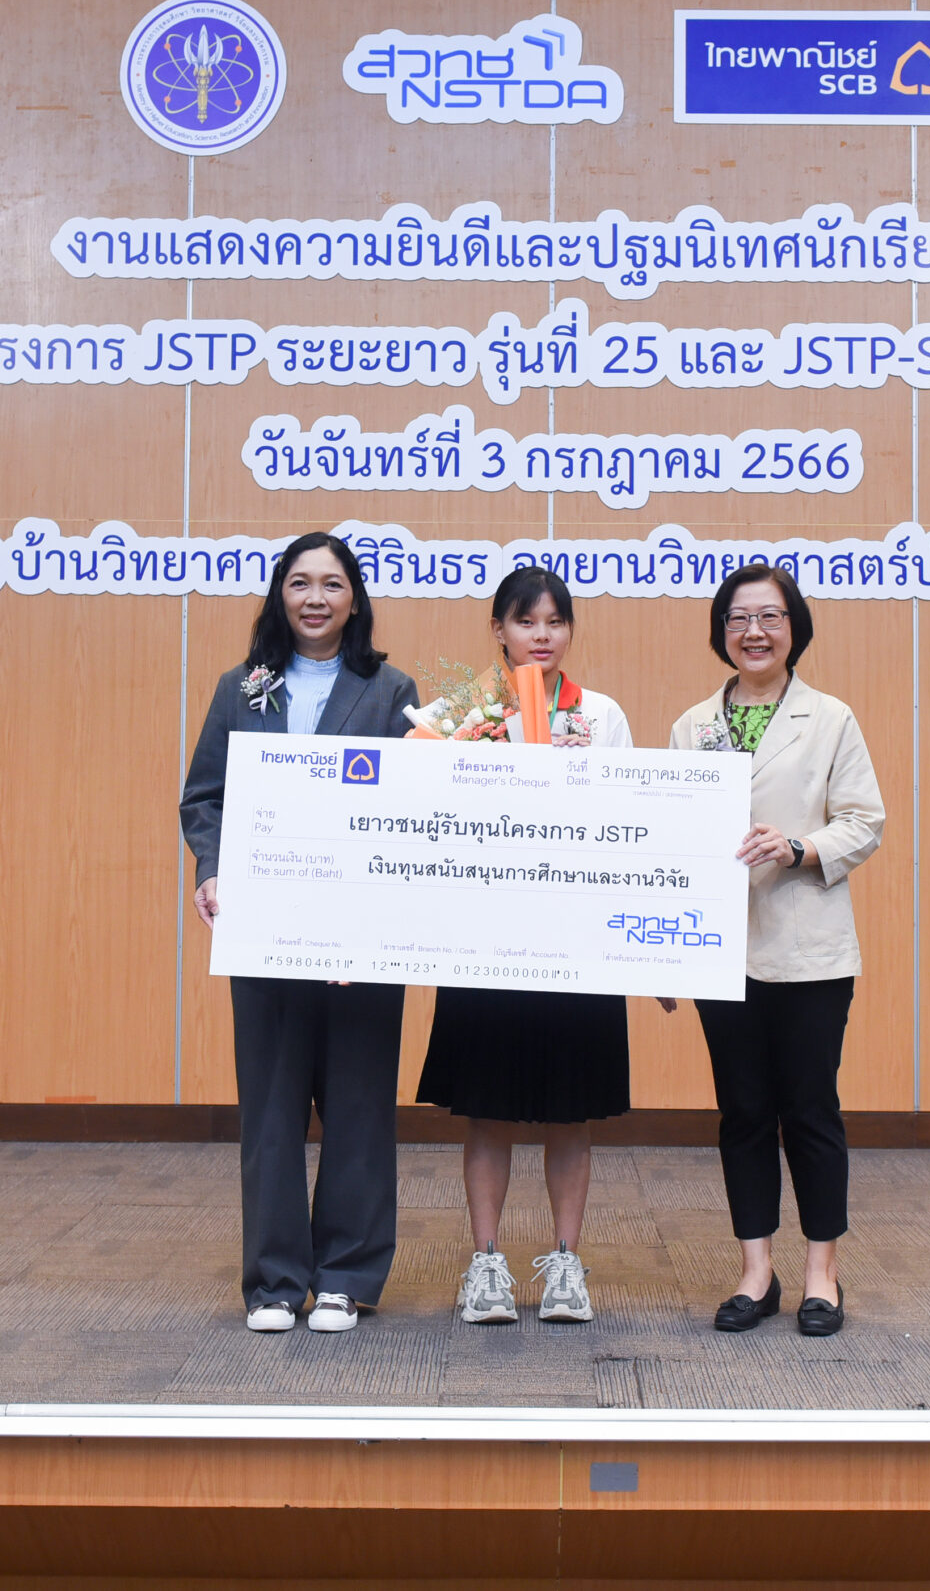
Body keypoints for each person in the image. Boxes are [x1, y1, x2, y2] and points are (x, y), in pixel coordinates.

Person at [181, 531, 420, 1334]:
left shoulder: (391, 689)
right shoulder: (241, 688)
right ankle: (276, 1281)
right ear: (280, 594)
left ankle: (347, 1274)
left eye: (332, 583)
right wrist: (212, 867)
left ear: (355, 599)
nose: (316, 597)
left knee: (359, 1104)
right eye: (300, 582)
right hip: (266, 929)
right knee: (272, 1109)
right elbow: (205, 796)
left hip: (363, 931)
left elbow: (414, 804)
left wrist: (381, 915)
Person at [661, 564, 884, 1337]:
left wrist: (798, 846)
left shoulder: (831, 718)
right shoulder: (692, 725)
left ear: (795, 627)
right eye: (738, 617)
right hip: (721, 950)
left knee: (810, 1108)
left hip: (809, 949)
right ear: (721, 630)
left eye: (769, 616)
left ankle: (823, 1271)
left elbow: (864, 820)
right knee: (743, 1111)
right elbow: (670, 842)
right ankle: (756, 1269)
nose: (753, 631)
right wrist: (667, 955)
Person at [413, 567, 634, 1327]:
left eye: (555, 622)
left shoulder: (600, 715)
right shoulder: (454, 713)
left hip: (576, 941)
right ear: (498, 629)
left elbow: (630, 826)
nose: (542, 635)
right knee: (488, 1109)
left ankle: (567, 1261)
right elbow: (426, 821)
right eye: (525, 621)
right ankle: (486, 1262)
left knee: (572, 1112)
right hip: (485, 938)